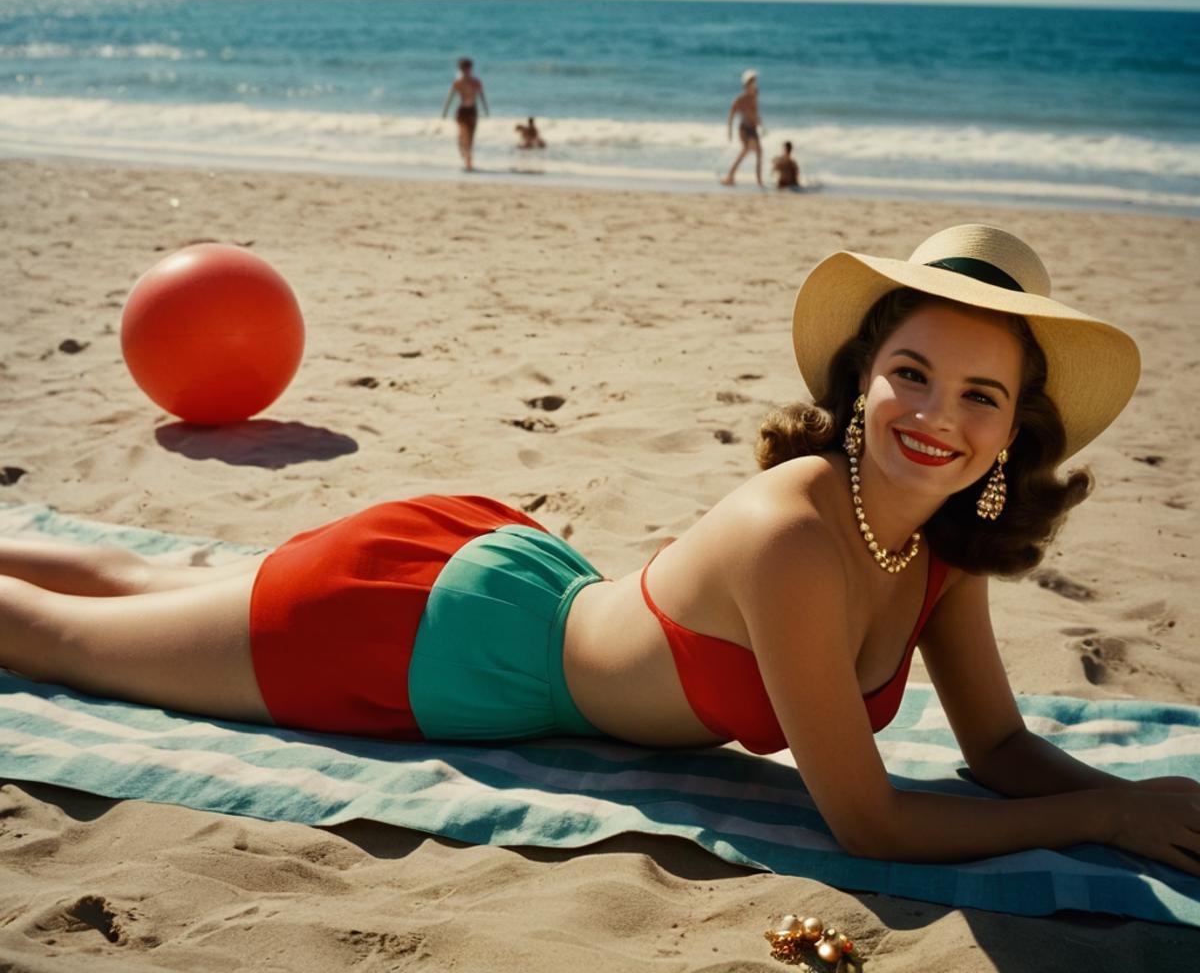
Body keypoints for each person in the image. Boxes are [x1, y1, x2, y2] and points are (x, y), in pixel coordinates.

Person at [2, 224, 1197, 874]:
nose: (938, 415)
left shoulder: (931, 549)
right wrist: (1095, 824)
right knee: (62, 638)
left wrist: (1138, 800)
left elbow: (992, 747)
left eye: (980, 396)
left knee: (136, 580)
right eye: (913, 373)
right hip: (427, 643)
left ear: (1013, 437)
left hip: (501, 572)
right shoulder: (793, 534)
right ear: (860, 382)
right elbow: (871, 823)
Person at [441, 58, 489, 171]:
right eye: (464, 69)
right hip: (462, 110)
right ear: (461, 69)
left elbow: (482, 96)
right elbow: (450, 97)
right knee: (463, 134)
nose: (466, 71)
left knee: (471, 136)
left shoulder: (476, 82)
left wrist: (486, 109)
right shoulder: (458, 82)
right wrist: (445, 111)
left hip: (473, 110)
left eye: (468, 68)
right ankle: (465, 155)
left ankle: (468, 161)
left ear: (471, 69)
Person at [722, 69, 764, 187]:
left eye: (755, 81)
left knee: (756, 152)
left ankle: (757, 180)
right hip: (744, 129)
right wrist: (729, 132)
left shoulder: (755, 94)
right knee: (748, 151)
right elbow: (731, 116)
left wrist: (760, 122)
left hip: (753, 128)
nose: (755, 84)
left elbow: (755, 112)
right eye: (752, 82)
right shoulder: (739, 100)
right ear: (746, 84)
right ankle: (731, 176)